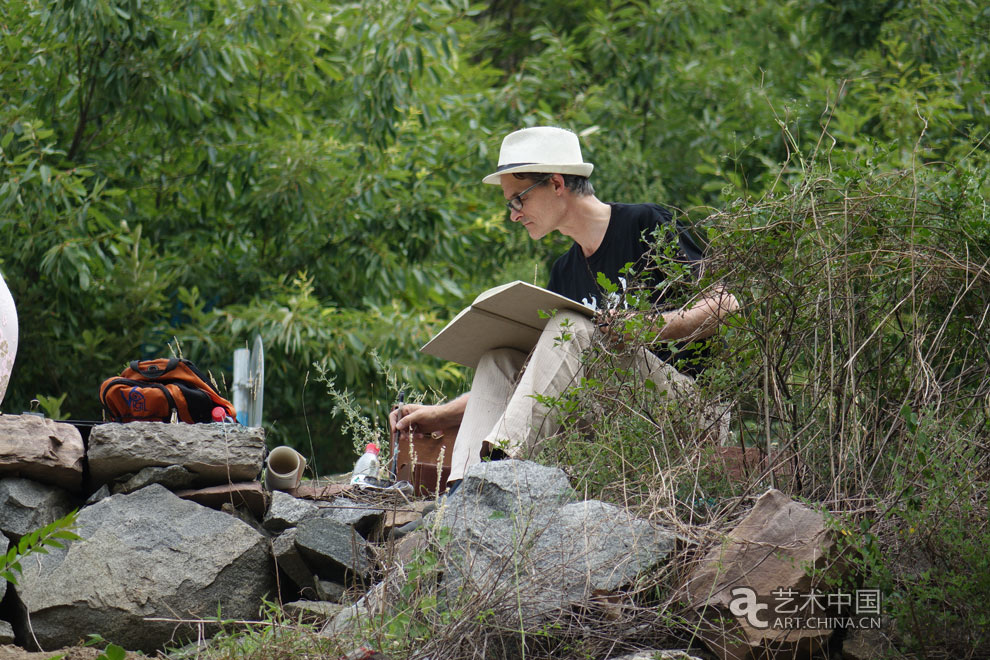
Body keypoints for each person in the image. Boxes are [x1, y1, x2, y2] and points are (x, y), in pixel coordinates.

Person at [389, 126, 738, 493]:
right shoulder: (564, 270)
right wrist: (443, 414)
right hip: (613, 415)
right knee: (500, 358)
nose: (513, 214)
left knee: (572, 327)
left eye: (517, 200)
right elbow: (535, 379)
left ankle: (499, 478)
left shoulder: (644, 225)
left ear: (556, 183)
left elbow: (726, 304)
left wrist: (646, 327)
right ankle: (464, 492)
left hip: (689, 412)